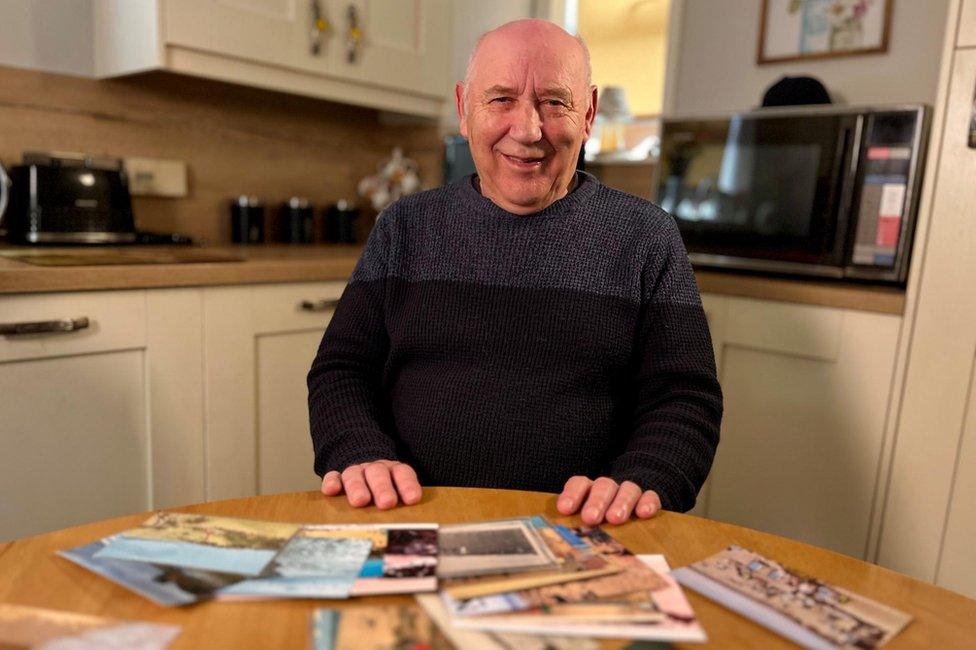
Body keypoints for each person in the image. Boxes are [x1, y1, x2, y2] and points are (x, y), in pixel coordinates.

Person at [307, 19, 722, 525]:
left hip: (583, 531)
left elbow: (685, 398)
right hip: (409, 514)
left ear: (588, 113)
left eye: (554, 102)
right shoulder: (404, 228)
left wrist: (644, 477)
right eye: (501, 99)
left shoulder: (646, 237)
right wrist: (360, 451)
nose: (527, 131)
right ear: (464, 110)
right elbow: (341, 371)